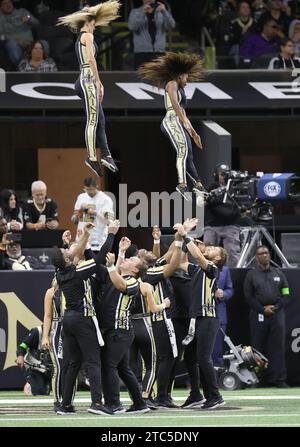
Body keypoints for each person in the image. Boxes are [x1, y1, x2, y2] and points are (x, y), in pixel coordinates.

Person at [100, 251, 169, 413]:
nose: (127, 259)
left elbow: (120, 285)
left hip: (121, 330)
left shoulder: (133, 282)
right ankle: (139, 403)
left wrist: (110, 265)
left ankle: (113, 403)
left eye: (132, 260)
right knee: (124, 369)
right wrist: (121, 252)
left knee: (108, 365)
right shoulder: (122, 276)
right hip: (118, 329)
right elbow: (115, 276)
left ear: (135, 270)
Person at [57, 0, 120, 177]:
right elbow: (91, 60)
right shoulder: (87, 35)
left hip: (83, 79)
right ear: (87, 23)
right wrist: (99, 82)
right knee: (93, 119)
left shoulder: (81, 37)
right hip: (87, 79)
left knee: (100, 119)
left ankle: (106, 154)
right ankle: (91, 157)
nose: (95, 27)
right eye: (93, 24)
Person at [138, 52, 207, 200]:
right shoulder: (172, 83)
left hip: (179, 120)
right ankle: (182, 184)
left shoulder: (180, 88)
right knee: (182, 150)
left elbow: (183, 114)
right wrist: (184, 122)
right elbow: (175, 105)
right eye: (186, 76)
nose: (187, 80)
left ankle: (198, 184)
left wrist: (194, 134)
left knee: (189, 154)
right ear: (180, 75)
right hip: (171, 120)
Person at [179, 232, 227, 410]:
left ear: (218, 258)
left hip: (208, 317)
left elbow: (198, 256)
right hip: (196, 318)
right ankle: (197, 395)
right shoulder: (199, 268)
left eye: (214, 248)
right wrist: (185, 245)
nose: (209, 247)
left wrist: (185, 235)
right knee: (191, 356)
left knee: (204, 357)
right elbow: (182, 262)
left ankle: (215, 396)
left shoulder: (213, 269)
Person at [244, 245, 290, 388]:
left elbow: (286, 294)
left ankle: (279, 379)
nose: (264, 255)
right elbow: (248, 297)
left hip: (277, 315)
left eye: (266, 253)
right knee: (257, 348)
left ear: (269, 255)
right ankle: (256, 379)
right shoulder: (251, 275)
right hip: (258, 314)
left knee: (278, 347)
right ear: (257, 257)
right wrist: (262, 310)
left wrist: (275, 308)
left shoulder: (279, 273)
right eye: (261, 253)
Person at [204, 163, 241, 267]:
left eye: (226, 174)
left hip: (231, 225)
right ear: (217, 176)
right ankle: (207, 273)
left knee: (232, 251)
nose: (224, 176)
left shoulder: (235, 188)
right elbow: (201, 202)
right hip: (212, 225)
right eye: (222, 174)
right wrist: (210, 197)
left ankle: (231, 275)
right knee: (207, 250)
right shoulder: (212, 188)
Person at [128, 0, 175, 70]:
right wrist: (142, 12)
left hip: (159, 52)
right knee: (140, 79)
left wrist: (165, 11)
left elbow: (171, 25)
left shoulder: (161, 12)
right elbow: (132, 26)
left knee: (159, 78)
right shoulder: (135, 12)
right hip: (141, 52)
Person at [71, 176, 114, 252]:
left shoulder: (106, 199)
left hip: (98, 242)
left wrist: (95, 212)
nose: (89, 192)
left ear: (96, 186)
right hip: (81, 241)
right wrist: (81, 210)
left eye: (91, 189)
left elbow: (109, 221)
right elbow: (74, 220)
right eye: (87, 190)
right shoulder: (81, 197)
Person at [0, 0, 39, 67]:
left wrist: (29, 18)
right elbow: (1, 37)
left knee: (44, 44)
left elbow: (37, 23)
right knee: (12, 44)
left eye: (9, 2)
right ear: (0, 7)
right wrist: (15, 39)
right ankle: (23, 68)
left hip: (29, 43)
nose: (8, 5)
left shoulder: (22, 12)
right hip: (13, 43)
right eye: (4, 4)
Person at [16, 325, 52, 396]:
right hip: (36, 368)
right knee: (39, 392)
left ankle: (47, 385)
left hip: (54, 370)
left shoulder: (63, 331)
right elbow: (23, 345)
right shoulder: (37, 332)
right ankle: (31, 384)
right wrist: (20, 355)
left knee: (64, 392)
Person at [212, 264, 233, 367]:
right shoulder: (198, 266)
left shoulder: (225, 270)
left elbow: (230, 290)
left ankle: (217, 380)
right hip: (202, 315)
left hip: (219, 316)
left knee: (217, 351)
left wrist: (223, 294)